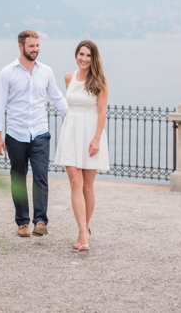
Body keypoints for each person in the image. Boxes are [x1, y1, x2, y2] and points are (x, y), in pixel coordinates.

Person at [0, 30, 68, 238]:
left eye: (37, 46)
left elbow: (57, 98)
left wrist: (72, 118)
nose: (35, 50)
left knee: (41, 176)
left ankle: (40, 221)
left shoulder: (46, 72)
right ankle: (22, 222)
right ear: (21, 46)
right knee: (18, 178)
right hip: (16, 134)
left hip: (40, 133)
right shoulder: (7, 73)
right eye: (31, 46)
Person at [54, 40, 110, 253]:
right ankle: (82, 231)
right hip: (71, 132)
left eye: (88, 55)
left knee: (87, 186)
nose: (84, 58)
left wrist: (96, 139)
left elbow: (102, 112)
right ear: (76, 55)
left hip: (91, 133)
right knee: (75, 182)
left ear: (93, 58)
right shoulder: (69, 78)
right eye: (81, 54)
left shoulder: (100, 81)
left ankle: (85, 229)